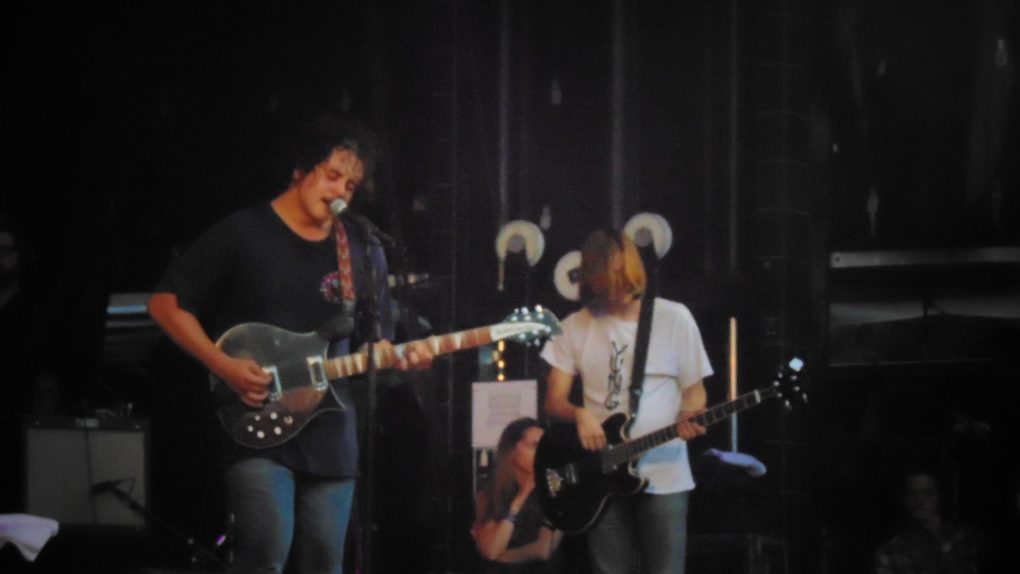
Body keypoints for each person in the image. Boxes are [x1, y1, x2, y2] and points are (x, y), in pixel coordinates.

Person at [147, 115, 433, 574]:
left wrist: (402, 358)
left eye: (351, 185)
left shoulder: (362, 248)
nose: (341, 191)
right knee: (264, 556)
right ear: (300, 171)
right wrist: (223, 365)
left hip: (333, 430)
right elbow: (165, 304)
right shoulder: (244, 233)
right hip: (257, 424)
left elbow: (373, 343)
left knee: (325, 563)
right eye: (332, 175)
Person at [540, 229, 713, 574]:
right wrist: (579, 414)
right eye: (607, 280)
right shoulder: (573, 327)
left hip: (664, 473)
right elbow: (553, 401)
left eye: (622, 276)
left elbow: (695, 394)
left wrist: (689, 416)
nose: (617, 288)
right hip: (600, 476)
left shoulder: (673, 318)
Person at [472, 417, 563, 573]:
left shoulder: (552, 491)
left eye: (543, 447)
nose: (541, 453)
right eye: (534, 446)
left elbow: (543, 550)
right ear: (512, 451)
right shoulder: (491, 495)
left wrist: (504, 557)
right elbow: (491, 550)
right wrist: (518, 501)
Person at [873, 463, 982, 574]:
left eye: (927, 493)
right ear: (904, 498)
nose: (918, 502)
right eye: (911, 493)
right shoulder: (888, 553)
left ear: (940, 497)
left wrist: (942, 540)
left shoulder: (961, 536)